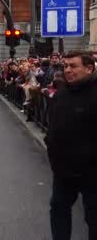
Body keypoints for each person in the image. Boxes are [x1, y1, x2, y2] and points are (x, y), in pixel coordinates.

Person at [45, 51, 97, 240]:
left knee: (93, 217)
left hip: (92, 173)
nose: (67, 70)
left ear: (89, 68)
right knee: (58, 209)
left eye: (73, 66)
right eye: (65, 66)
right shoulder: (62, 92)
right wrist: (51, 148)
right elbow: (52, 124)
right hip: (64, 170)